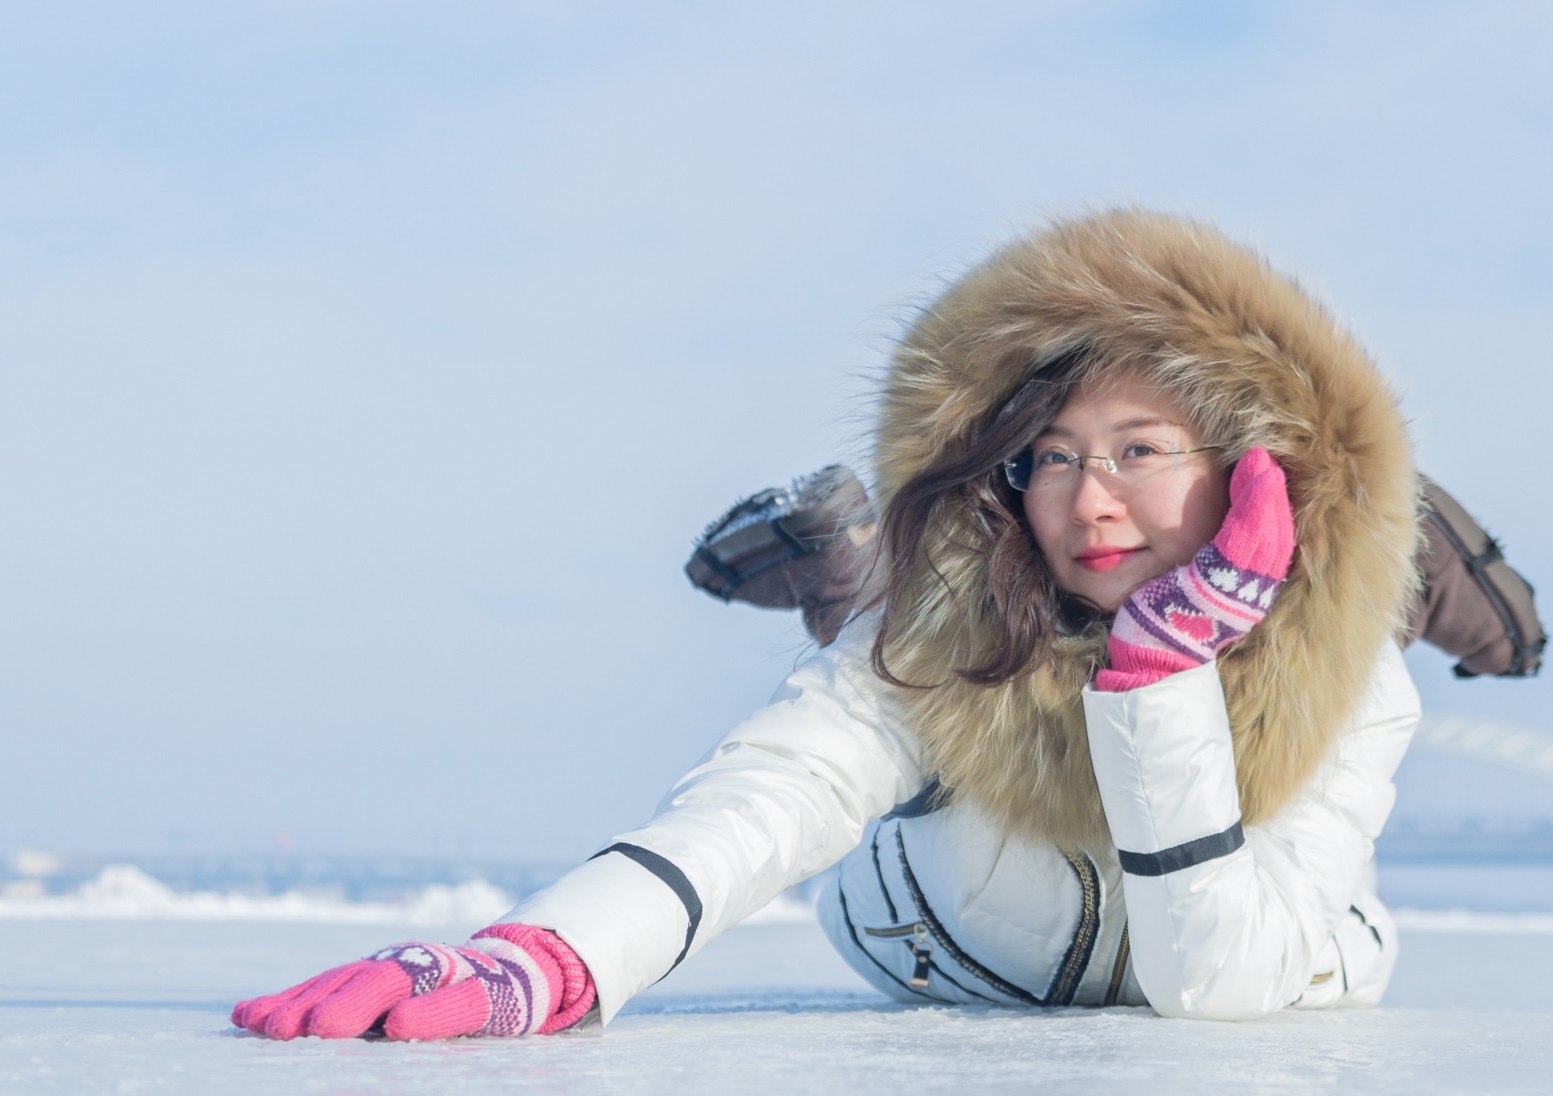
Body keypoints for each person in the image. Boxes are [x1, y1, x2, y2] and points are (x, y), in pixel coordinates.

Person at [233, 208, 1427, 1039]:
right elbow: (765, 799)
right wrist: (547, 957)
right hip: (944, 938)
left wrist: (1164, 672)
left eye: (1138, 452)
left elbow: (1215, 988)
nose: (1087, 500)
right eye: (1046, 457)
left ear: (1244, 468)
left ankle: (1400, 541)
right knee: (881, 640)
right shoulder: (945, 644)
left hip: (1279, 948)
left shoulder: (1360, 691)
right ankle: (854, 576)